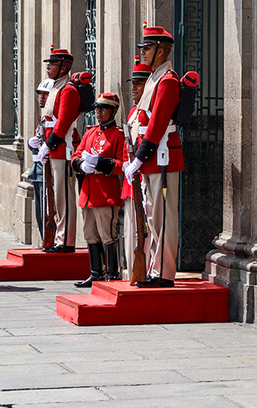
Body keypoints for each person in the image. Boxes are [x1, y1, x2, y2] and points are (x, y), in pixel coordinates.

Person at [124, 26, 183, 287]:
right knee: (152, 216)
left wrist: (139, 156)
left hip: (161, 157)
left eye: (147, 48)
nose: (143, 53)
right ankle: (153, 268)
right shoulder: (153, 79)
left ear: (161, 50)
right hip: (150, 159)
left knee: (164, 216)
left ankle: (163, 273)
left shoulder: (167, 80)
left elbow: (158, 124)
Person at [71, 93, 125, 287]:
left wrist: (101, 163)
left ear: (113, 111)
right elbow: (76, 155)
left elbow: (121, 164)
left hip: (105, 193)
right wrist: (80, 164)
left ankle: (112, 274)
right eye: (97, 108)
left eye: (103, 108)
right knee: (90, 234)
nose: (98, 112)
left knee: (107, 235)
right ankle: (96, 273)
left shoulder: (118, 135)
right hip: (88, 192)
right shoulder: (90, 132)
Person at [35, 47, 83, 252]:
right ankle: (57, 237)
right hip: (52, 148)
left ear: (64, 67)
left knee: (64, 196)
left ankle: (66, 240)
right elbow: (47, 120)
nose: (48, 67)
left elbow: (63, 123)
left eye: (52, 64)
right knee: (53, 195)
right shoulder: (55, 88)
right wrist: (39, 140)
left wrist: (49, 145)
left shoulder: (68, 90)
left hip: (62, 148)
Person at [121, 59, 152, 278]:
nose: (133, 88)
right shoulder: (133, 111)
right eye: (132, 84)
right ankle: (134, 269)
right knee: (131, 228)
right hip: (131, 175)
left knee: (145, 227)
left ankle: (146, 268)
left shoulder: (147, 111)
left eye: (138, 84)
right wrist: (126, 163)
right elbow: (128, 143)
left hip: (144, 172)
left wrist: (136, 164)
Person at [27, 78, 54, 242]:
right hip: (38, 172)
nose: (42, 98)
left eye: (46, 94)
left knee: (51, 212)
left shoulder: (54, 117)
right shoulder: (43, 118)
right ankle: (45, 240)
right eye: (40, 94)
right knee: (40, 213)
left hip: (50, 172)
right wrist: (32, 145)